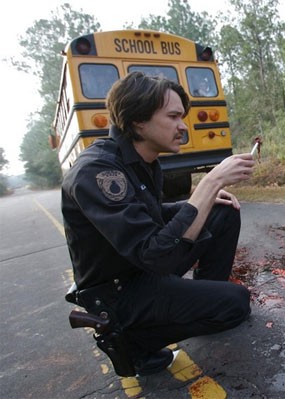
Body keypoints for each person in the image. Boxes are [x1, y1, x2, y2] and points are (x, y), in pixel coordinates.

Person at [61, 71, 255, 376]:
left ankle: (206, 294)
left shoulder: (145, 161)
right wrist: (211, 182)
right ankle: (132, 341)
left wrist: (200, 201)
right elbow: (157, 254)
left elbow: (145, 212)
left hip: (142, 267)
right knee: (237, 304)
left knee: (222, 210)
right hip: (120, 291)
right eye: (174, 116)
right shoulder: (97, 172)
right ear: (139, 120)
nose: (183, 126)